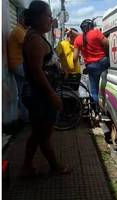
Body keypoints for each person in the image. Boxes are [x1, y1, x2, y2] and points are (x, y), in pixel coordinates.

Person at [21, 0, 71, 177]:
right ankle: (55, 165)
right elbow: (36, 70)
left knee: (37, 133)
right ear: (37, 17)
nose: (51, 19)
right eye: (48, 15)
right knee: (43, 134)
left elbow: (43, 65)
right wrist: (52, 95)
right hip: (40, 96)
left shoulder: (36, 36)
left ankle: (27, 167)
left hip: (41, 95)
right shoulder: (34, 39)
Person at [73, 19, 109, 113]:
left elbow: (75, 58)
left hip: (92, 67)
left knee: (94, 90)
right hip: (103, 62)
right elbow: (106, 43)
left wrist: (75, 67)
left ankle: (96, 112)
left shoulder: (78, 39)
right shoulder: (96, 32)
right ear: (91, 26)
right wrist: (107, 54)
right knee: (107, 78)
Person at [7, 9, 29, 122]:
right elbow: (28, 45)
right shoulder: (19, 30)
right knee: (30, 88)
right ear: (22, 19)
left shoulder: (21, 30)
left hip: (17, 64)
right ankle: (26, 116)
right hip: (18, 64)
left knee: (22, 92)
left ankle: (24, 117)